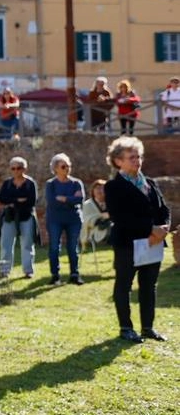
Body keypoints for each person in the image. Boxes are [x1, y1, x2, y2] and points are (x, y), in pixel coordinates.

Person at [103, 136, 173, 343]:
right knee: (124, 285)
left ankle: (147, 328)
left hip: (154, 242)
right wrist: (151, 229)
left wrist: (164, 228)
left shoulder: (149, 182)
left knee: (149, 285)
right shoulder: (113, 187)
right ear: (118, 161)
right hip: (128, 243)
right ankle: (126, 328)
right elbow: (120, 217)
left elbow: (164, 208)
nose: (137, 160)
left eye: (139, 156)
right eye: (132, 157)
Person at [43, 153, 85, 286]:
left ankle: (74, 274)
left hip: (73, 219)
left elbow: (80, 199)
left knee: (73, 247)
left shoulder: (77, 183)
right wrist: (71, 199)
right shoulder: (50, 184)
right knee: (54, 247)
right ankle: (55, 275)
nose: (67, 168)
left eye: (68, 166)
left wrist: (64, 198)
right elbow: (52, 201)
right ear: (55, 168)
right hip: (55, 219)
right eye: (63, 166)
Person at [0, 156, 38, 278]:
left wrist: (12, 202)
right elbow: (1, 198)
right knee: (6, 244)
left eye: (18, 168)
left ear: (24, 169)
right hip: (10, 217)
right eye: (13, 168)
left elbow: (31, 201)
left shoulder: (30, 184)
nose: (16, 171)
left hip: (26, 216)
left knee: (27, 244)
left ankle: (28, 270)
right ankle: (4, 270)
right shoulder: (7, 184)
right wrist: (18, 200)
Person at [81, 179, 113, 251]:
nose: (100, 191)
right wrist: (101, 216)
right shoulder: (87, 204)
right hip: (93, 231)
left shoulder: (111, 202)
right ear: (93, 191)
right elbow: (86, 220)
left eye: (102, 188)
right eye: (97, 188)